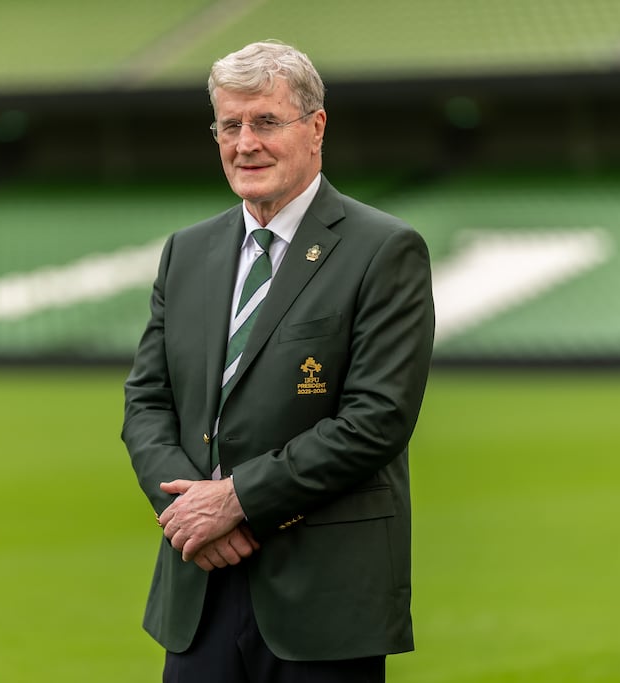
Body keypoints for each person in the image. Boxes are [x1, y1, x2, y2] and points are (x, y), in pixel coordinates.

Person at [122, 40, 435, 683]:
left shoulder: (384, 250)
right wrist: (192, 515)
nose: (245, 143)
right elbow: (147, 403)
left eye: (265, 121)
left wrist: (236, 501)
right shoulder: (186, 251)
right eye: (229, 125)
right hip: (199, 585)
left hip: (322, 601)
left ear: (315, 128)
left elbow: (376, 420)